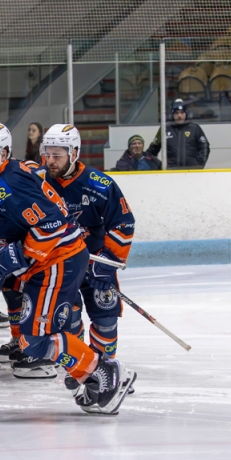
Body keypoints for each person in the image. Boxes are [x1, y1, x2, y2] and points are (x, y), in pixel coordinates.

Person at [0, 120, 136, 414]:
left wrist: (17, 255)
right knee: (44, 333)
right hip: (57, 260)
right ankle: (92, 373)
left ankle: (102, 369)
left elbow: (49, 227)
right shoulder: (15, 174)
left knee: (94, 318)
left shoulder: (12, 181)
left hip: (60, 260)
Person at [43, 124, 137, 406]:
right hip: (62, 267)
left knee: (105, 317)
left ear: (74, 152)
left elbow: (124, 222)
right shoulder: (39, 183)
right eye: (47, 153)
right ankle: (87, 368)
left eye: (57, 154)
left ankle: (108, 368)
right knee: (68, 320)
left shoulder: (99, 184)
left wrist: (108, 262)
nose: (51, 160)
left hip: (97, 264)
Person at [146, 99, 210, 169]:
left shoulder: (195, 128)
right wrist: (159, 165)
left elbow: (204, 147)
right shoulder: (165, 129)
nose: (179, 115)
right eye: (176, 113)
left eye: (182, 112)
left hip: (192, 172)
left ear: (186, 113)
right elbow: (152, 151)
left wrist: (199, 165)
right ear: (172, 114)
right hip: (171, 172)